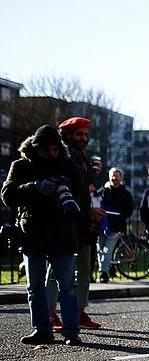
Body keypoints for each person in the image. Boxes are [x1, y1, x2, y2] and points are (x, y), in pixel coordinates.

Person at [2, 125, 85, 346]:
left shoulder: (68, 166)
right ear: (35, 148)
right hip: (32, 233)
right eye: (46, 150)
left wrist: (65, 194)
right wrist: (36, 187)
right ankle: (42, 329)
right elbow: (7, 194)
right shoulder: (21, 166)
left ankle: (71, 330)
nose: (51, 154)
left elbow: (81, 197)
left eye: (55, 149)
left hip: (62, 232)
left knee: (67, 285)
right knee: (35, 286)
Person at [45, 117, 104, 330]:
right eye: (80, 134)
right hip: (66, 221)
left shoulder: (81, 156)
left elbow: (82, 187)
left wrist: (90, 174)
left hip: (84, 222)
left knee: (84, 269)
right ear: (68, 135)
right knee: (56, 269)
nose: (84, 139)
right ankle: (50, 313)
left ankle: (80, 311)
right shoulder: (62, 155)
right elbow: (67, 189)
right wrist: (88, 208)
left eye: (86, 135)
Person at [95, 167, 134, 283]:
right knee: (100, 250)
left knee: (107, 250)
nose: (114, 178)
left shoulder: (125, 193)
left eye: (116, 176)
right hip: (102, 226)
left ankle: (103, 272)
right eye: (112, 175)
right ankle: (103, 270)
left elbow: (129, 209)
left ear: (120, 178)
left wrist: (121, 218)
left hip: (116, 227)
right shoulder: (103, 191)